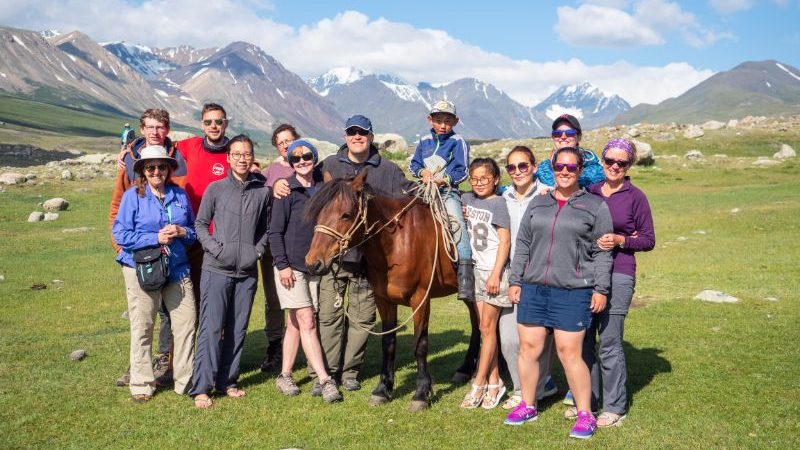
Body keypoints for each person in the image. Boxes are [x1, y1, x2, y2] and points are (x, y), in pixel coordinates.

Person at [504, 147, 613, 440]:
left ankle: (585, 414)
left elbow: (603, 253)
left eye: (571, 167)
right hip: (534, 288)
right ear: (552, 168)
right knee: (529, 349)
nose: (565, 171)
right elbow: (523, 244)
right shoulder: (538, 204)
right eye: (559, 166)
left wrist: (600, 288)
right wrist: (516, 280)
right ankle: (528, 404)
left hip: (573, 291)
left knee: (569, 354)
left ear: (580, 171)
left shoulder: (595, 206)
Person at [308, 114, 416, 395]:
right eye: (352, 132)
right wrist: (279, 181)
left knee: (363, 318)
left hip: (369, 262)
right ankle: (327, 374)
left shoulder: (388, 169)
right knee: (329, 317)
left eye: (363, 133)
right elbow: (304, 175)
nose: (357, 137)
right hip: (334, 257)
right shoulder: (330, 165)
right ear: (345, 136)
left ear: (370, 136)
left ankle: (350, 373)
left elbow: (407, 200)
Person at [571, 138, 655, 427]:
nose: (615, 166)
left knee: (609, 339)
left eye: (622, 162)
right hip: (587, 274)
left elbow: (648, 239)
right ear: (603, 161)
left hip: (620, 273)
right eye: (610, 161)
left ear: (629, 165)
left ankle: (614, 405)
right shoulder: (590, 193)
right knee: (584, 340)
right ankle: (589, 401)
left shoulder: (636, 197)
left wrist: (621, 240)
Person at [189, 135, 271, 409]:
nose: (242, 159)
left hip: (247, 271)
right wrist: (216, 249)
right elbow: (201, 224)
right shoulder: (215, 189)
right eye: (237, 154)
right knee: (211, 329)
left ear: (252, 157)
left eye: (247, 154)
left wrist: (256, 252)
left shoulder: (262, 193)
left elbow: (266, 230)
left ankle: (227, 381)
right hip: (216, 269)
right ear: (228, 158)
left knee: (238, 329)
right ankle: (201, 387)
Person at [111, 144, 196, 403]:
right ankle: (142, 383)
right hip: (141, 269)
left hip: (177, 268)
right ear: (142, 171)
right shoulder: (132, 197)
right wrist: (154, 237)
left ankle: (186, 380)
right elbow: (121, 234)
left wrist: (182, 233)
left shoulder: (180, 196)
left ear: (169, 168)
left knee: (187, 324)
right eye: (151, 167)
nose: (157, 171)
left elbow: (193, 232)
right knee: (143, 325)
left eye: (162, 166)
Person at [268, 139, 343, 403]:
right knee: (307, 321)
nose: (302, 162)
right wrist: (282, 265)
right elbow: (275, 232)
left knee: (295, 323)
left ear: (314, 157)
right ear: (290, 163)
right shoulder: (287, 191)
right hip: (292, 268)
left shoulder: (324, 189)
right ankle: (325, 380)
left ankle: (285, 375)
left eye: (307, 157)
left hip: (315, 265)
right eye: (296, 159)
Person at [498, 146, 556, 410]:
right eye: (512, 167)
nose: (518, 171)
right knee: (509, 338)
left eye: (523, 166)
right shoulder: (503, 197)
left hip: (538, 272)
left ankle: (538, 385)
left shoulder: (549, 194)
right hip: (511, 272)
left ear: (533, 166)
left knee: (537, 338)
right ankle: (524, 386)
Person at [458, 158, 511, 410]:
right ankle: (495, 382)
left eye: (485, 179)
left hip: (493, 271)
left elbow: (505, 242)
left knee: (488, 328)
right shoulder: (467, 199)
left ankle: (478, 383)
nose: (479, 183)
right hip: (476, 270)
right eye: (475, 179)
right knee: (484, 328)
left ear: (496, 179)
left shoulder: (499, 203)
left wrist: (496, 273)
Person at [409, 100, 474, 300]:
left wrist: (445, 179)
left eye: (448, 121)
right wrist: (422, 173)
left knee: (458, 225)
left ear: (456, 121)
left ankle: (465, 275)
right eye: (438, 120)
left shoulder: (458, 141)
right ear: (430, 119)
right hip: (423, 190)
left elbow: (463, 171)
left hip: (447, 192)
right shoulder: (423, 141)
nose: (443, 125)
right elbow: (414, 164)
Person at [175, 103, 232, 307]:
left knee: (218, 292)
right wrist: (129, 149)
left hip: (221, 235)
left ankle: (218, 336)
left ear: (225, 124)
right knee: (191, 291)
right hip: (191, 232)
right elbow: (160, 142)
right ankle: (194, 336)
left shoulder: (233, 151)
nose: (214, 126)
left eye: (218, 121)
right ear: (202, 125)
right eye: (208, 122)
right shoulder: (191, 145)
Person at [259, 123, 300, 373]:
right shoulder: (270, 171)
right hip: (274, 242)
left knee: (302, 298)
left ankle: (302, 345)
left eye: (289, 140)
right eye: (280, 142)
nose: (285, 145)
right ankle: (275, 345)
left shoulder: (308, 165)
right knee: (273, 298)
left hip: (300, 243)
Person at [536, 114, 604, 189]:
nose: (563, 137)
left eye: (569, 133)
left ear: (579, 137)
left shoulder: (596, 170)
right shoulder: (543, 168)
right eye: (557, 133)